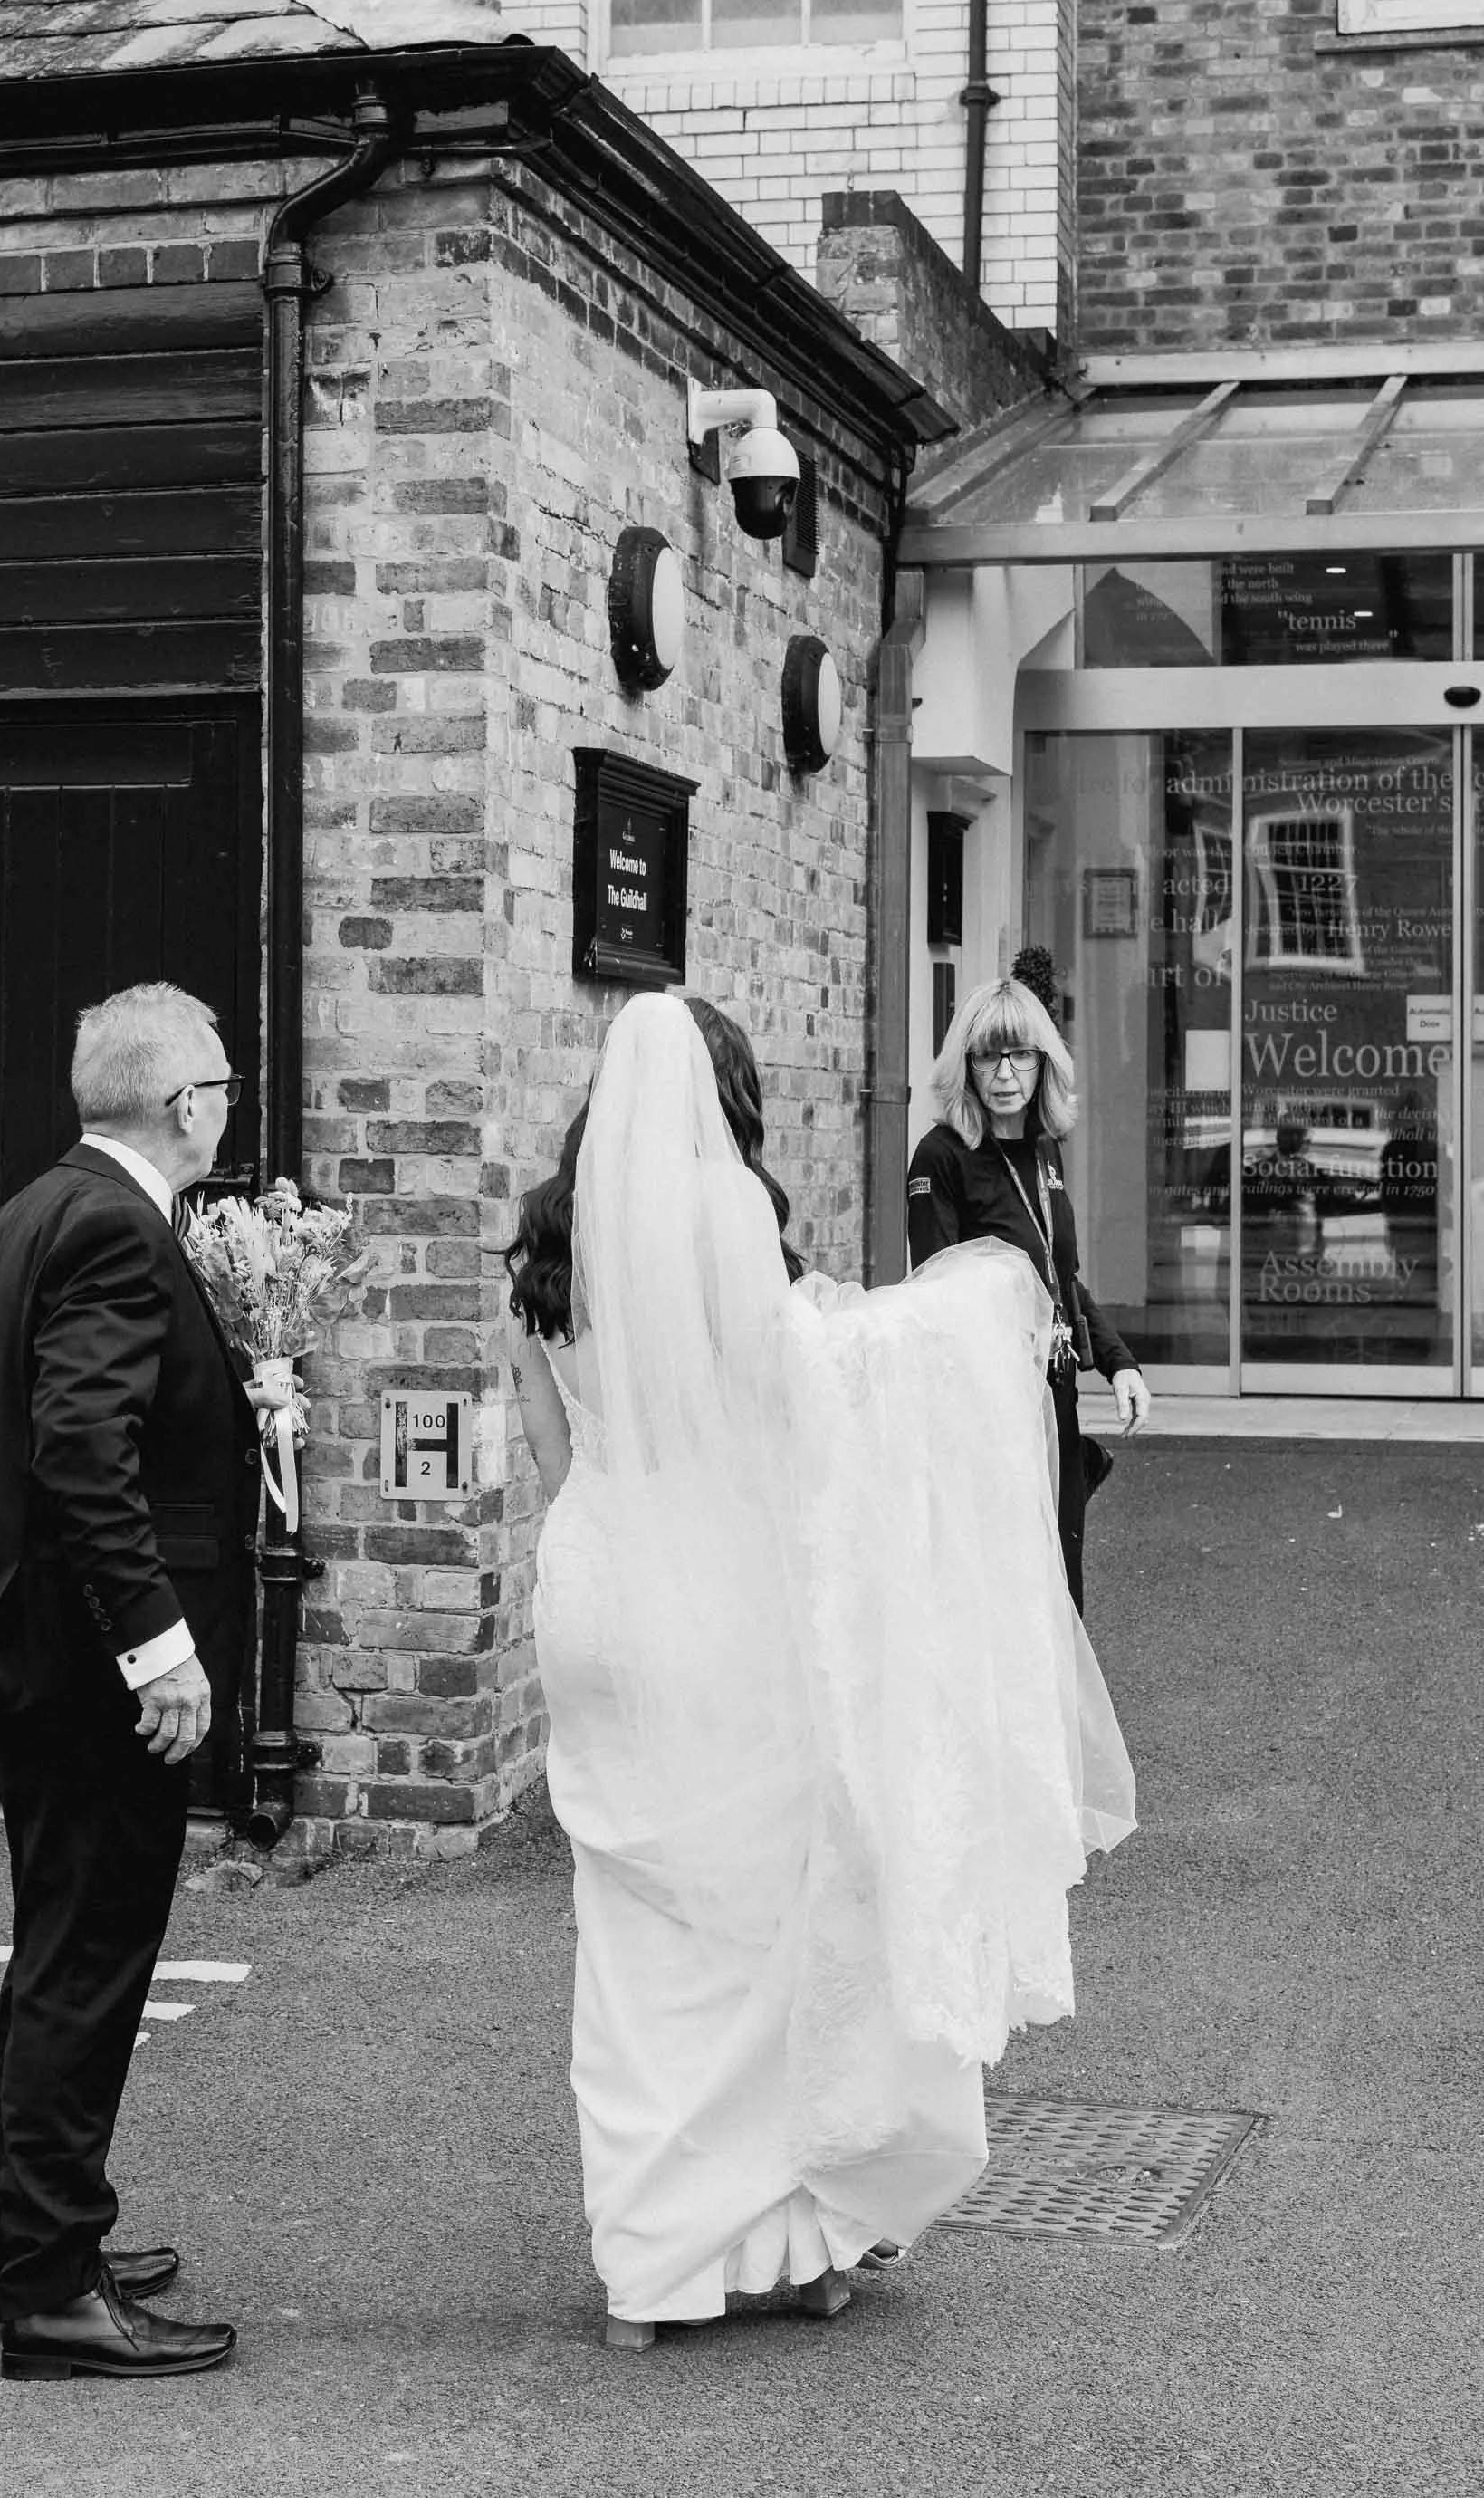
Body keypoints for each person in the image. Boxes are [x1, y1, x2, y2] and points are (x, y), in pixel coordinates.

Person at [506, 991, 1134, 2353]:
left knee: (634, 1935)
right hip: (717, 1600)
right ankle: (777, 2239)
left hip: (595, 1584)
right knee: (765, 1930)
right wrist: (958, 1330)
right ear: (724, 1091)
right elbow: (798, 1404)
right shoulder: (723, 1213)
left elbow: (556, 1453)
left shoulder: (550, 1235)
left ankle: (649, 2264)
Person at [0, 980, 252, 2383]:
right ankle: (51, 2290)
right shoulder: (121, 1230)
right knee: (88, 1961)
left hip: (26, 1643)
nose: (228, 1102)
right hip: (86, 1666)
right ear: (183, 1105)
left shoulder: (37, 1206)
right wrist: (160, 1645)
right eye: (222, 1084)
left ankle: (20, 2234)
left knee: (56, 1947)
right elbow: (81, 1450)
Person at [907, 977, 1150, 1615]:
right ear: (967, 1064)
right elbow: (939, 1305)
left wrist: (1119, 1361)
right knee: (1003, 1595)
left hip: (1055, 1397)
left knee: (1061, 1589)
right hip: (992, 1414)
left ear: (1044, 1062)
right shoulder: (941, 1159)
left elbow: (1061, 1275)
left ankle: (1056, 1719)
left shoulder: (1045, 1149)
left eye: (1020, 1054)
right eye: (988, 1055)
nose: (1005, 1072)